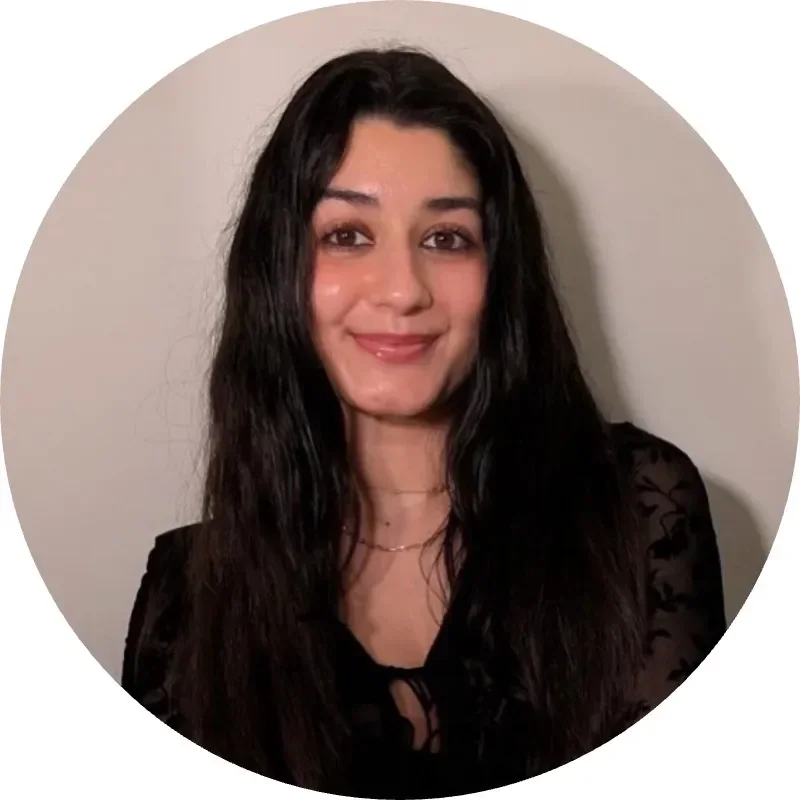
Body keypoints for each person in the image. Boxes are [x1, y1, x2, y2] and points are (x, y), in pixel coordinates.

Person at [121, 47, 726, 798]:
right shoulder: (184, 605)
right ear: (279, 270)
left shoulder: (638, 513)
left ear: (499, 275)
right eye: (346, 234)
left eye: (447, 238)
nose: (402, 290)